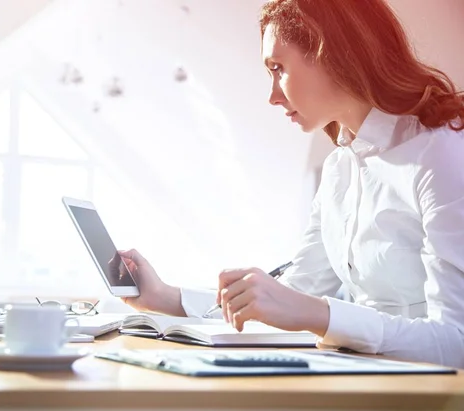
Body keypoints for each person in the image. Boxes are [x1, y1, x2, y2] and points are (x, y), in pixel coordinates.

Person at [118, 0, 464, 368]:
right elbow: (294, 297)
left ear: (330, 53)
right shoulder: (339, 171)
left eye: (278, 68)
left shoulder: (438, 155)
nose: (272, 95)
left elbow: (455, 342)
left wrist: (319, 314)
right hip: (363, 382)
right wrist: (164, 297)